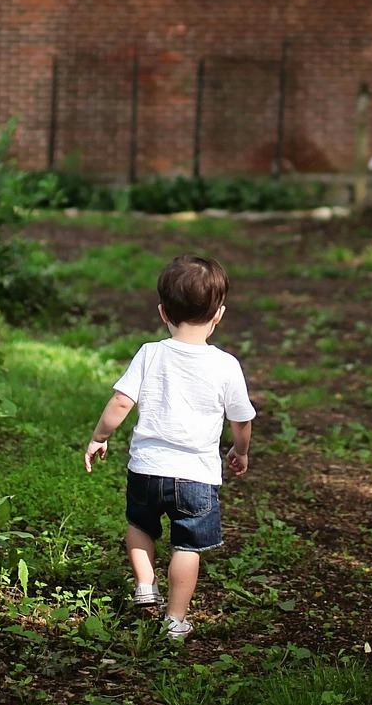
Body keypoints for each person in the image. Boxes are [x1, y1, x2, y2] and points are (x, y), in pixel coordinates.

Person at [83, 254, 256, 641]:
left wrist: (99, 437)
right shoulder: (226, 365)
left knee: (140, 526)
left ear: (163, 312)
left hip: (146, 469)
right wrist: (240, 450)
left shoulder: (150, 353)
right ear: (219, 315)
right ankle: (175, 620)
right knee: (187, 546)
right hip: (195, 477)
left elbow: (121, 403)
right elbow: (241, 420)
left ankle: (146, 584)